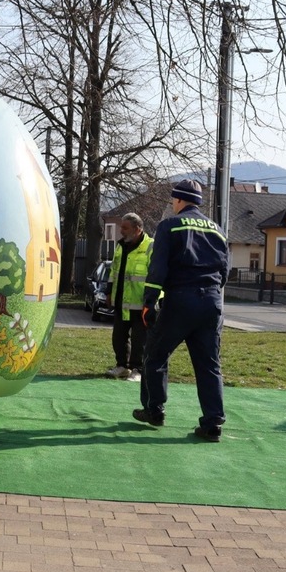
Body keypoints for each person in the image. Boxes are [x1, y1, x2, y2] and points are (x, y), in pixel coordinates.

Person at [131, 178, 230, 442]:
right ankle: (212, 424)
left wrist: (149, 302)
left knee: (155, 354)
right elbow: (224, 272)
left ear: (177, 200)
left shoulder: (169, 226)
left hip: (180, 301)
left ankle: (155, 409)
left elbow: (158, 268)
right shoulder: (218, 231)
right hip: (211, 303)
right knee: (209, 365)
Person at [104, 213, 153, 383]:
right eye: (121, 227)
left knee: (140, 340)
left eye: (125, 228)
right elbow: (113, 272)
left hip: (141, 303)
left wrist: (152, 300)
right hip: (120, 301)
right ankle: (122, 366)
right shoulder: (120, 246)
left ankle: (137, 369)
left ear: (137, 229)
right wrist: (109, 292)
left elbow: (156, 275)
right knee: (119, 336)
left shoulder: (150, 246)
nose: (121, 231)